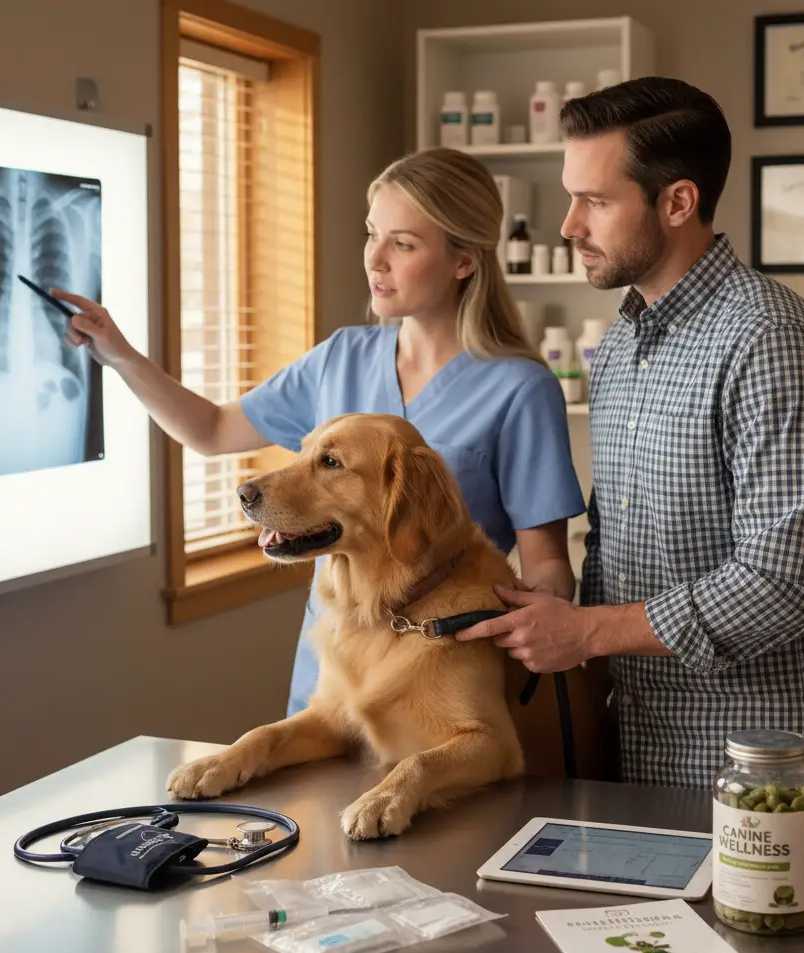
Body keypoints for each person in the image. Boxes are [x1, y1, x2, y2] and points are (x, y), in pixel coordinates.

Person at [55, 146, 587, 717]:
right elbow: (212, 429)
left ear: (464, 260)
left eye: (403, 244)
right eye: (372, 234)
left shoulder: (519, 389)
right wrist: (120, 355)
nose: (375, 259)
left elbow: (547, 566)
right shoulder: (341, 358)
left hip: (440, 684)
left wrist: (535, 627)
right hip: (330, 685)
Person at [456, 77, 804, 804]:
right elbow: (616, 546)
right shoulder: (620, 345)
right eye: (571, 197)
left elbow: (783, 583)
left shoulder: (771, 342)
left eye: (596, 201)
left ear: (677, 202)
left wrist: (586, 633)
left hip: (755, 771)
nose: (569, 226)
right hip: (636, 749)